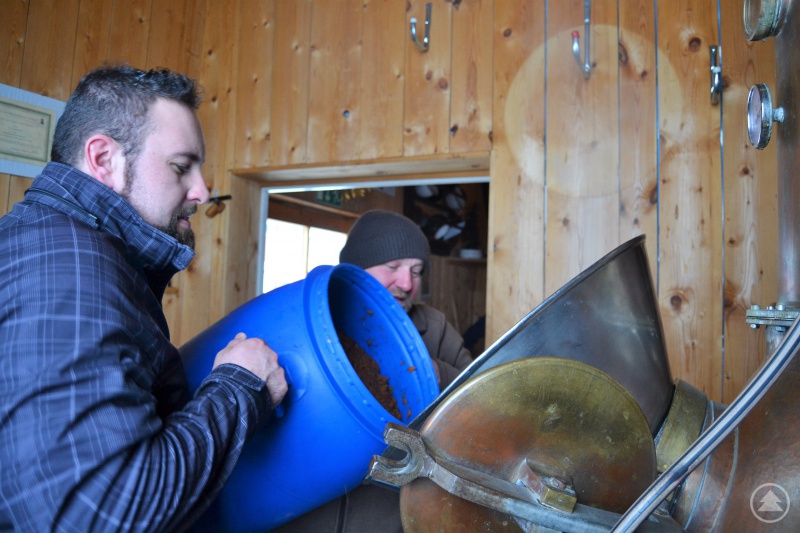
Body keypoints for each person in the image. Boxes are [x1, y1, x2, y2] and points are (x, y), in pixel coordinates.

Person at [0, 65, 288, 532]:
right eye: (181, 167)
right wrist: (239, 387)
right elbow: (102, 515)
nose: (202, 191)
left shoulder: (50, 242)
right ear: (103, 159)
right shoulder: (68, 274)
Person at [275, 209, 472, 532]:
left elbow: (478, 395)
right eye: (392, 267)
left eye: (417, 271)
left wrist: (438, 372)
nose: (407, 283)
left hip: (387, 513)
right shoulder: (309, 318)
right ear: (356, 269)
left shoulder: (433, 328)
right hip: (307, 508)